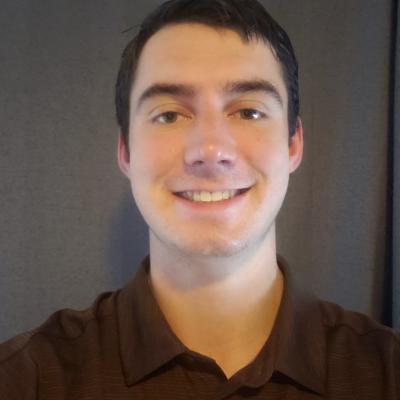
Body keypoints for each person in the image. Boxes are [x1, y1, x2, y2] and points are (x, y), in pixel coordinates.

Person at [0, 0, 398, 398]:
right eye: (169, 115)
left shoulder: (387, 372)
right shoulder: (27, 378)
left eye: (249, 112)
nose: (209, 150)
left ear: (293, 144)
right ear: (126, 152)